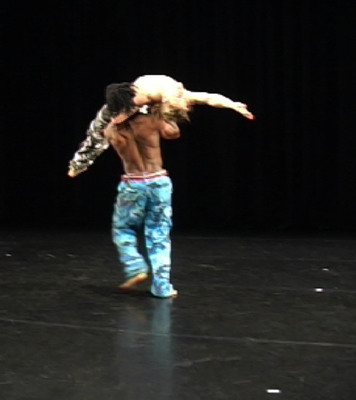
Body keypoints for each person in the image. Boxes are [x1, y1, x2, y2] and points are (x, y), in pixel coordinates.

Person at [68, 75, 254, 178]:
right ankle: (79, 163)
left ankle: (82, 160)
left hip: (153, 101)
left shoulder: (182, 95)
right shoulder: (143, 98)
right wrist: (114, 123)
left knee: (168, 130)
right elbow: (118, 116)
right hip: (128, 99)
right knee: (98, 133)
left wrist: (233, 105)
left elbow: (210, 98)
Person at [103, 104, 181, 298]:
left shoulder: (111, 129)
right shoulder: (152, 120)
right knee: (159, 233)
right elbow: (174, 133)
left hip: (133, 182)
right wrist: (166, 111)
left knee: (123, 229)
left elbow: (108, 138)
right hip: (158, 181)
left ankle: (136, 266)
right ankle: (162, 287)